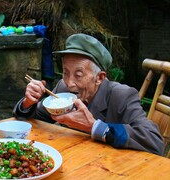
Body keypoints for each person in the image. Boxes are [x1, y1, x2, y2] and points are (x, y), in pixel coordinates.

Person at [13, 33, 164, 155]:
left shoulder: (122, 96)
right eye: (66, 72)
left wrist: (95, 127)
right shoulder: (63, 88)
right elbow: (35, 117)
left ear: (100, 78)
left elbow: (154, 142)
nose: (69, 82)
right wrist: (28, 102)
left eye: (78, 75)